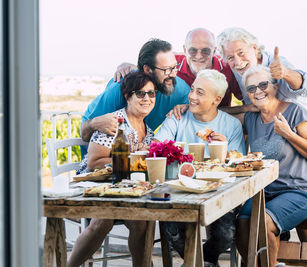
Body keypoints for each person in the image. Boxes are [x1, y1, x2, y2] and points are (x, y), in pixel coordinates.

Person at [154, 69, 246, 267]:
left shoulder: (231, 125)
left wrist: (225, 149)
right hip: (179, 192)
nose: (192, 96)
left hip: (219, 192)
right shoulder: (177, 118)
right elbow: (156, 145)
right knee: (172, 230)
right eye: (193, 90)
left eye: (200, 92)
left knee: (225, 234)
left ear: (217, 99)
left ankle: (200, 261)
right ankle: (203, 264)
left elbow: (238, 166)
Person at [233, 65, 307, 266]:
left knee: (264, 222)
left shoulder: (295, 112)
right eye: (251, 88)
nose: (258, 91)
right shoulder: (251, 117)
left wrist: (289, 134)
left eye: (263, 85)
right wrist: (245, 107)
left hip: (301, 190)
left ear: (274, 86)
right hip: (265, 192)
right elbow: (215, 113)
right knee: (242, 224)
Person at [68, 71, 156, 267]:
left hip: (123, 188)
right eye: (141, 94)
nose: (147, 98)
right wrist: (133, 159)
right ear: (128, 96)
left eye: (151, 94)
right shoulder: (114, 122)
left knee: (141, 221)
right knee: (104, 219)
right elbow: (94, 162)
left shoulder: (147, 130)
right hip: (94, 185)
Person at [79, 38, 191, 158]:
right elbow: (85, 135)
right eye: (166, 70)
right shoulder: (119, 89)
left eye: (174, 67)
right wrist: (94, 124)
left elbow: (198, 110)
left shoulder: (180, 89)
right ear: (147, 69)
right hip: (101, 158)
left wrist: (188, 106)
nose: (173, 74)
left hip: (134, 155)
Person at [114, 28, 244, 111]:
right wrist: (127, 65)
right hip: (181, 123)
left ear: (214, 51)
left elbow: (244, 103)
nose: (198, 56)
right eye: (193, 50)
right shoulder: (172, 62)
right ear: (185, 49)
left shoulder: (228, 68)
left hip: (218, 121)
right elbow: (151, 67)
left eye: (205, 51)